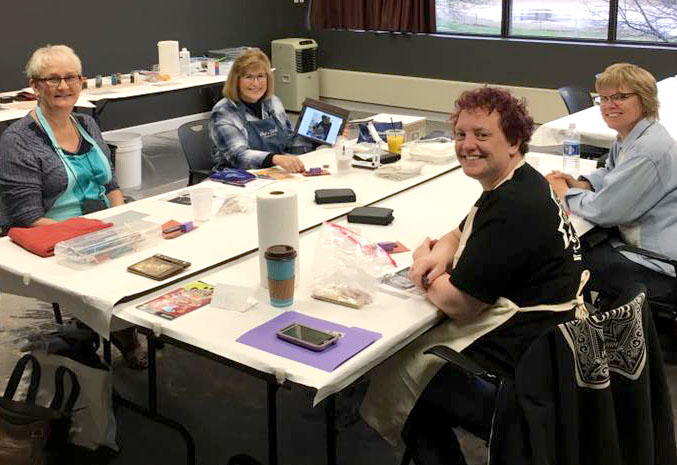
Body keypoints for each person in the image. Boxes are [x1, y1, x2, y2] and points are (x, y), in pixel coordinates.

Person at [359, 87, 584, 465]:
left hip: (527, 368)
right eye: (461, 134)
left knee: (401, 373)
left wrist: (421, 268)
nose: (467, 145)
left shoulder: (512, 207)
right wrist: (440, 253)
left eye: (482, 135)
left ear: (513, 142)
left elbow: (458, 304)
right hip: (555, 347)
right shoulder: (521, 182)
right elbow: (459, 230)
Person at [0, 44, 145, 369]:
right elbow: (27, 218)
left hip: (102, 227)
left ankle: (118, 326)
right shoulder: (18, 140)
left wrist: (118, 221)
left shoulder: (86, 124)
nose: (63, 86)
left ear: (81, 81)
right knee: (117, 270)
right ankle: (105, 332)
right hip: (57, 238)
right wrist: (96, 236)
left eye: (71, 77)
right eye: (52, 79)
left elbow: (111, 185)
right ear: (35, 86)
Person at [547, 63, 677, 311]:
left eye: (620, 97)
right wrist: (583, 184)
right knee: (571, 242)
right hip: (644, 245)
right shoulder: (633, 135)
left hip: (661, 267)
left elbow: (606, 211)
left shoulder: (648, 149)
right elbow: (612, 171)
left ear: (645, 99)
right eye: (604, 98)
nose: (609, 105)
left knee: (558, 256)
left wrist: (565, 193)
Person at [209, 48, 315, 172]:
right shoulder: (224, 112)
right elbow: (238, 156)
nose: (256, 84)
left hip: (274, 172)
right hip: (237, 176)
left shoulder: (273, 102)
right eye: (248, 77)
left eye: (260, 76)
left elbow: (289, 143)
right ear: (236, 81)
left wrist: (314, 137)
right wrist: (275, 159)